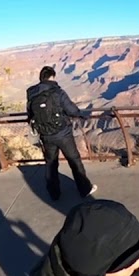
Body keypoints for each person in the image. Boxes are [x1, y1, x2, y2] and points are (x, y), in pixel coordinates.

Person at [27, 66, 95, 200]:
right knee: (74, 161)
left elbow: (30, 113)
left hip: (45, 135)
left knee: (51, 164)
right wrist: (82, 115)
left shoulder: (31, 93)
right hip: (63, 134)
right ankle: (84, 189)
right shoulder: (58, 92)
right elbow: (71, 110)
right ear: (52, 76)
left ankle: (54, 193)